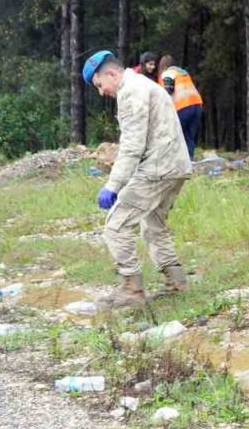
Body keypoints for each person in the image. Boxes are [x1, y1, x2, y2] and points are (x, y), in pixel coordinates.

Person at [81, 50, 192, 308]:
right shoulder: (144, 84)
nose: (101, 92)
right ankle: (177, 283)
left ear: (111, 73)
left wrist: (113, 185)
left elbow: (132, 145)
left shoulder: (130, 91)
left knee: (116, 225)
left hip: (158, 168)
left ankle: (131, 290)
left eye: (100, 85)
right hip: (175, 166)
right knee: (154, 224)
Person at [157, 56, 204, 158]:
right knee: (189, 136)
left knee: (174, 134)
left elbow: (167, 92)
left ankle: (173, 161)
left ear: (163, 65)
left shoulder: (168, 73)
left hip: (183, 106)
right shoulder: (183, 73)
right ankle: (189, 160)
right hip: (197, 104)